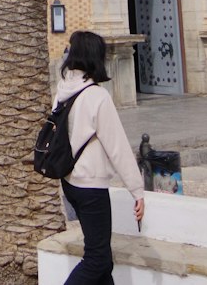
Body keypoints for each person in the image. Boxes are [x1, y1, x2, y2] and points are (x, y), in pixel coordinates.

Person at [52, 30, 144, 283]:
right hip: (91, 186)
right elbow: (118, 147)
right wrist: (137, 190)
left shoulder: (62, 92)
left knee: (103, 259)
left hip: (70, 182)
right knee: (97, 258)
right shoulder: (97, 97)